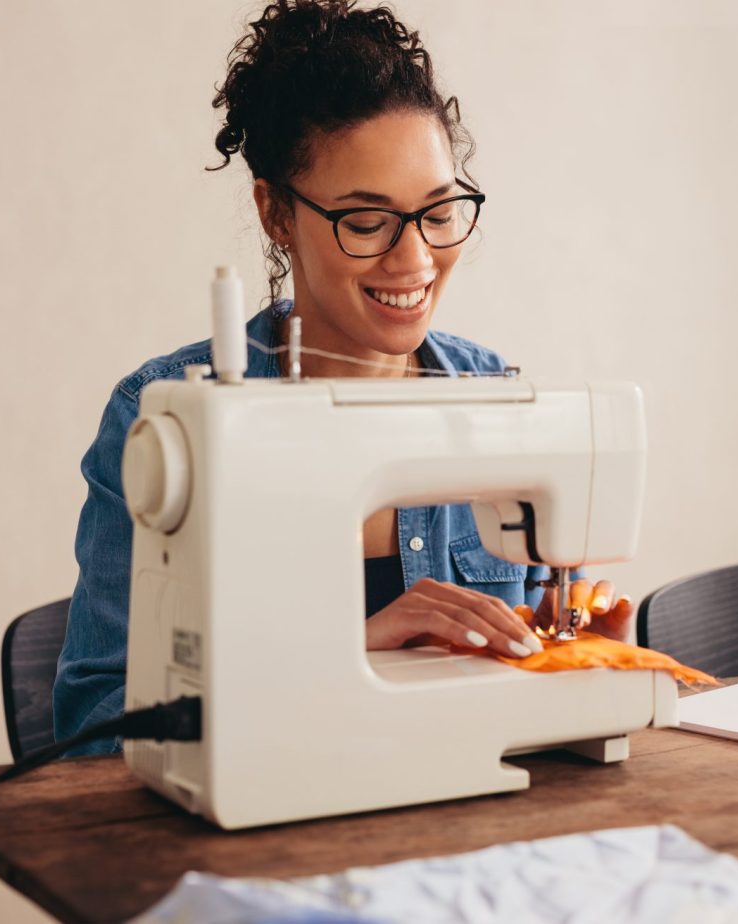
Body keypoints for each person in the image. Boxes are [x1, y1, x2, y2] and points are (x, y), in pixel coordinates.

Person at [54, 0, 632, 755]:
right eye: (366, 222)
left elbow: (538, 676)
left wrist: (585, 666)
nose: (415, 259)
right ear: (275, 213)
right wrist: (348, 655)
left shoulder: (498, 397)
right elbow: (93, 729)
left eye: (439, 212)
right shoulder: (164, 419)